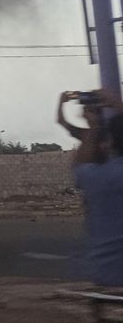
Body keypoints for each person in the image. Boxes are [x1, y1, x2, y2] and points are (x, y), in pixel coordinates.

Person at [72, 91, 123, 286]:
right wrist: (119, 105)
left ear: (110, 143)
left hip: (106, 275)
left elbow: (79, 166)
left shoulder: (95, 176)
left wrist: (93, 127)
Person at [58, 91, 108, 163]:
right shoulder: (87, 133)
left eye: (88, 110)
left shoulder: (92, 134)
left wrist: (61, 102)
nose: (85, 114)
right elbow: (61, 121)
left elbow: (61, 121)